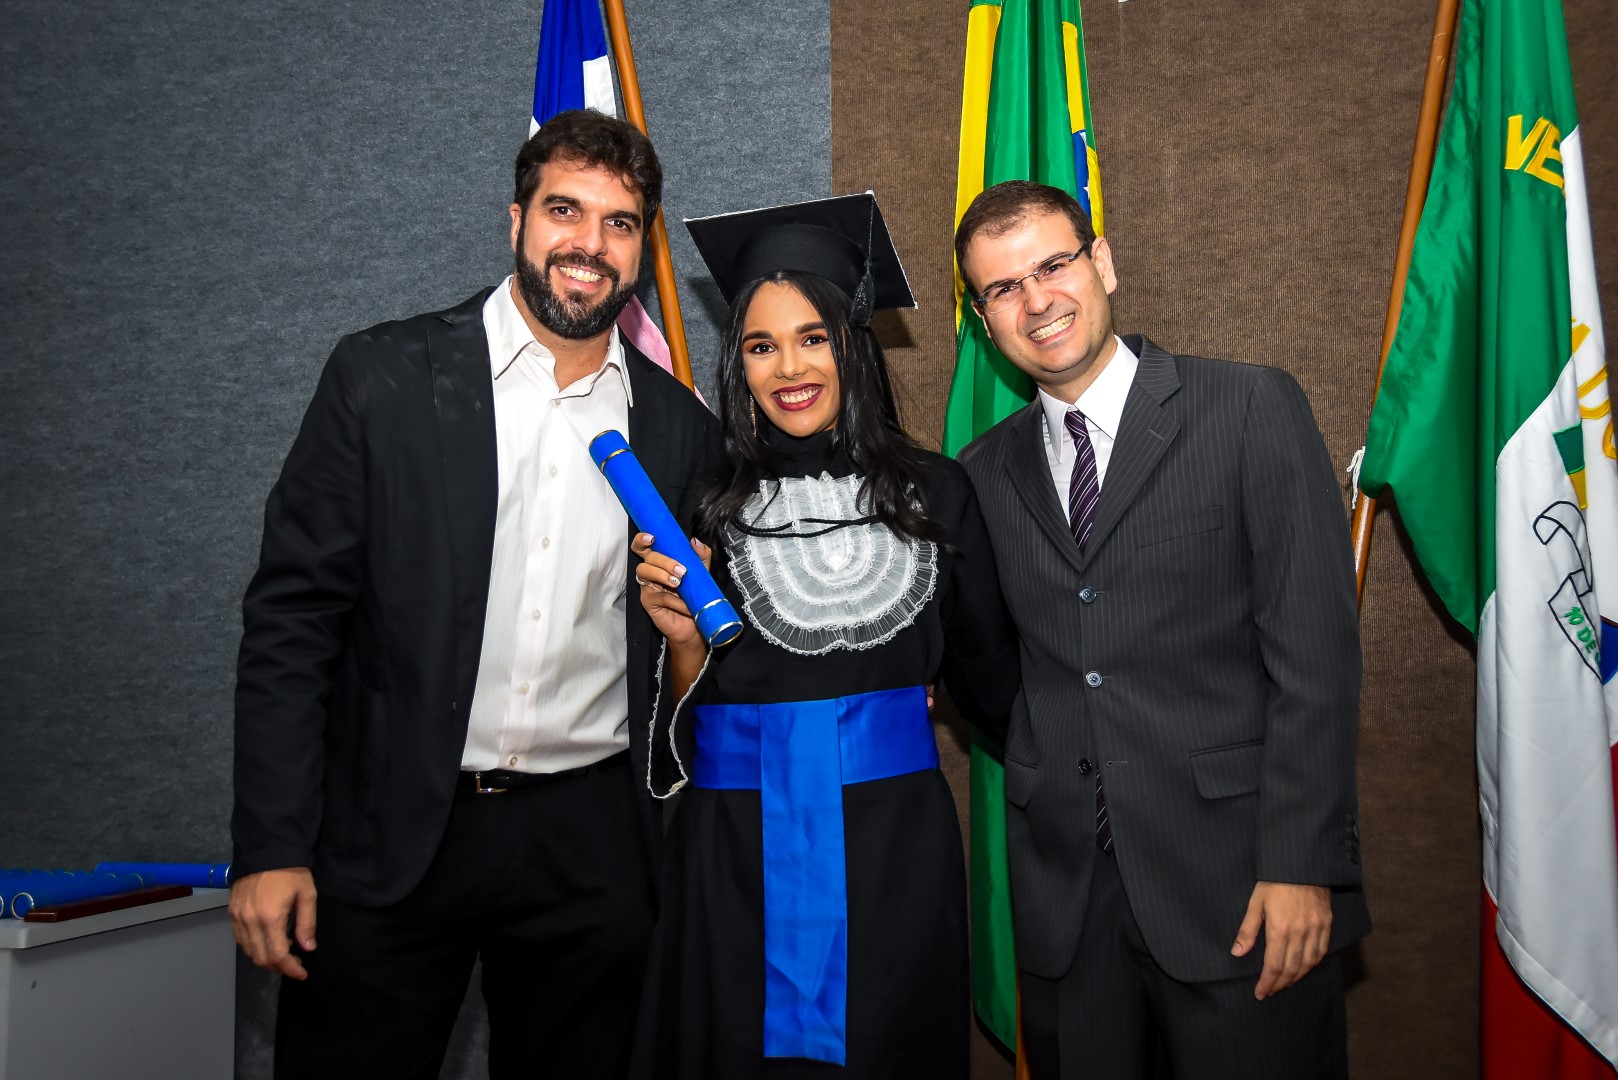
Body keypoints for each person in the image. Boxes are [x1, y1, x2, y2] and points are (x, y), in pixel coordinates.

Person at [228, 109, 720, 1080]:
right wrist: (272, 844)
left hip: (589, 845)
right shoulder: (383, 378)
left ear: (642, 247)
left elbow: (682, 662)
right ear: (516, 219)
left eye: (619, 223)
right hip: (393, 828)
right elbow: (292, 624)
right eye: (565, 211)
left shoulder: (678, 428)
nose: (589, 244)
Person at [953, 179, 1369, 1079]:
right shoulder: (981, 474)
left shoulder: (1249, 407)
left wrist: (1303, 865)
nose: (1037, 300)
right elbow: (994, 672)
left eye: (1053, 266)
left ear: (1102, 262)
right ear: (984, 320)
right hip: (1071, 914)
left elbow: (1317, 659)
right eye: (1003, 288)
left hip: (1244, 891)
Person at [626, 193, 1021, 1080]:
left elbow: (1000, 690)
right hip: (735, 850)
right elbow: (671, 731)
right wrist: (682, 642)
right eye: (761, 345)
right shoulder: (699, 506)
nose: (789, 368)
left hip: (895, 849)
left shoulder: (938, 493)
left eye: (814, 337)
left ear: (854, 342)